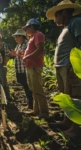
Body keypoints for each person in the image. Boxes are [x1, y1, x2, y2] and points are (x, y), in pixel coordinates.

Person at [46, 0, 81, 137]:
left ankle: (75, 128)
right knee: (66, 95)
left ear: (64, 13)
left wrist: (77, 66)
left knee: (74, 96)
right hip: (61, 66)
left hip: (69, 67)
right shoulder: (65, 28)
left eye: (56, 15)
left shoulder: (76, 22)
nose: (55, 19)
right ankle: (67, 121)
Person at [22, 19, 49, 119]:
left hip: (35, 66)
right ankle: (36, 110)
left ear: (32, 26)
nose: (26, 30)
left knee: (38, 89)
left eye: (27, 27)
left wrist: (27, 57)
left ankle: (44, 112)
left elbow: (40, 49)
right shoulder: (32, 37)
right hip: (30, 66)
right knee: (33, 89)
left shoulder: (38, 35)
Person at [9, 29, 33, 109]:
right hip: (19, 69)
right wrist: (14, 54)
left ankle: (31, 103)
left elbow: (25, 55)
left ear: (21, 37)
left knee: (28, 86)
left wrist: (16, 54)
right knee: (25, 86)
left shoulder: (26, 44)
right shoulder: (18, 46)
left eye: (16, 37)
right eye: (15, 37)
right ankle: (29, 102)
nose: (15, 39)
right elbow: (17, 55)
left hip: (24, 69)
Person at [0, 33, 12, 101]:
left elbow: (7, 55)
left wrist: (4, 65)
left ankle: (8, 97)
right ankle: (2, 96)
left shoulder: (4, 45)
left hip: (1, 65)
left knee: (3, 81)